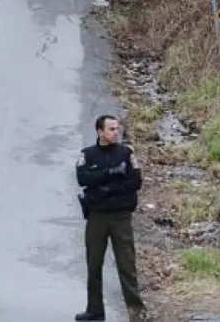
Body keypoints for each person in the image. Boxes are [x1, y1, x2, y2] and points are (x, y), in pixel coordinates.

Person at [75, 115, 146, 321]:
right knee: (94, 264)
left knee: (127, 264)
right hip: (97, 216)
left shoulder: (126, 153)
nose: (116, 133)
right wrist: (110, 174)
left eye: (117, 129)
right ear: (100, 132)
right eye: (111, 129)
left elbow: (135, 182)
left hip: (120, 216)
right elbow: (83, 178)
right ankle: (95, 309)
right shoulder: (88, 154)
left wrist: (109, 188)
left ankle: (136, 311)